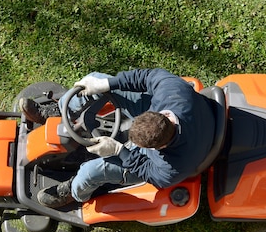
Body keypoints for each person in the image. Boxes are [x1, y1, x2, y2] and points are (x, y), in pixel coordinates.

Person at [19, 68, 217, 208]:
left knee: (92, 171)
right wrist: (105, 84)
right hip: (195, 119)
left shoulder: (171, 168)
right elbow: (145, 77)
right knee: (95, 80)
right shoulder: (173, 91)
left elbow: (145, 169)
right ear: (162, 113)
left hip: (192, 146)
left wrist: (119, 151)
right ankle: (61, 111)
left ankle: (73, 192)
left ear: (159, 147)